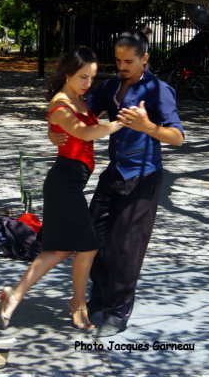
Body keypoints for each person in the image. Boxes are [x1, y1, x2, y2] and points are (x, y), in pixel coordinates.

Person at [49, 28, 184, 337]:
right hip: (115, 173)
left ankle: (118, 312)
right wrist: (53, 129)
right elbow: (80, 112)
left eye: (128, 61)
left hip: (144, 178)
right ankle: (99, 298)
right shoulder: (110, 86)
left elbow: (177, 137)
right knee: (91, 239)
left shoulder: (158, 90)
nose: (121, 66)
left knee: (127, 248)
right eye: (118, 59)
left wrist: (148, 126)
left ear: (145, 58)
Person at [0, 45, 122, 330]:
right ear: (68, 74)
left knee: (59, 250)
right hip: (64, 183)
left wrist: (53, 132)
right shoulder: (61, 103)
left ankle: (14, 295)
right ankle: (77, 304)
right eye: (82, 77)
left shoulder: (79, 98)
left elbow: (71, 130)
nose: (88, 84)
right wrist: (118, 125)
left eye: (91, 78)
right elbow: (84, 132)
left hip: (71, 182)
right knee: (87, 247)